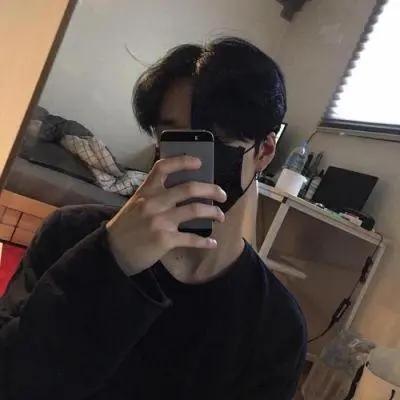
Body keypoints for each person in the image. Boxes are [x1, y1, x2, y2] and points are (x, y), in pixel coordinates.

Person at [0, 37, 306, 400]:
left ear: (264, 152)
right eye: (173, 134)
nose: (192, 157)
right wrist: (109, 257)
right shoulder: (68, 234)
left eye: (214, 137)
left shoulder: (276, 326)